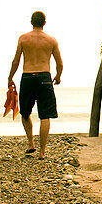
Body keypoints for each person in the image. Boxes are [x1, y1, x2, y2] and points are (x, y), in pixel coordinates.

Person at [8, 10, 62, 158]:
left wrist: (10, 77)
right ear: (44, 23)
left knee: (25, 112)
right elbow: (59, 63)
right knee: (45, 116)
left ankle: (31, 143)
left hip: (28, 77)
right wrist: (58, 76)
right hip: (44, 77)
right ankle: (42, 152)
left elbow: (16, 61)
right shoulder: (51, 40)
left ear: (31, 22)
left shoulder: (23, 39)